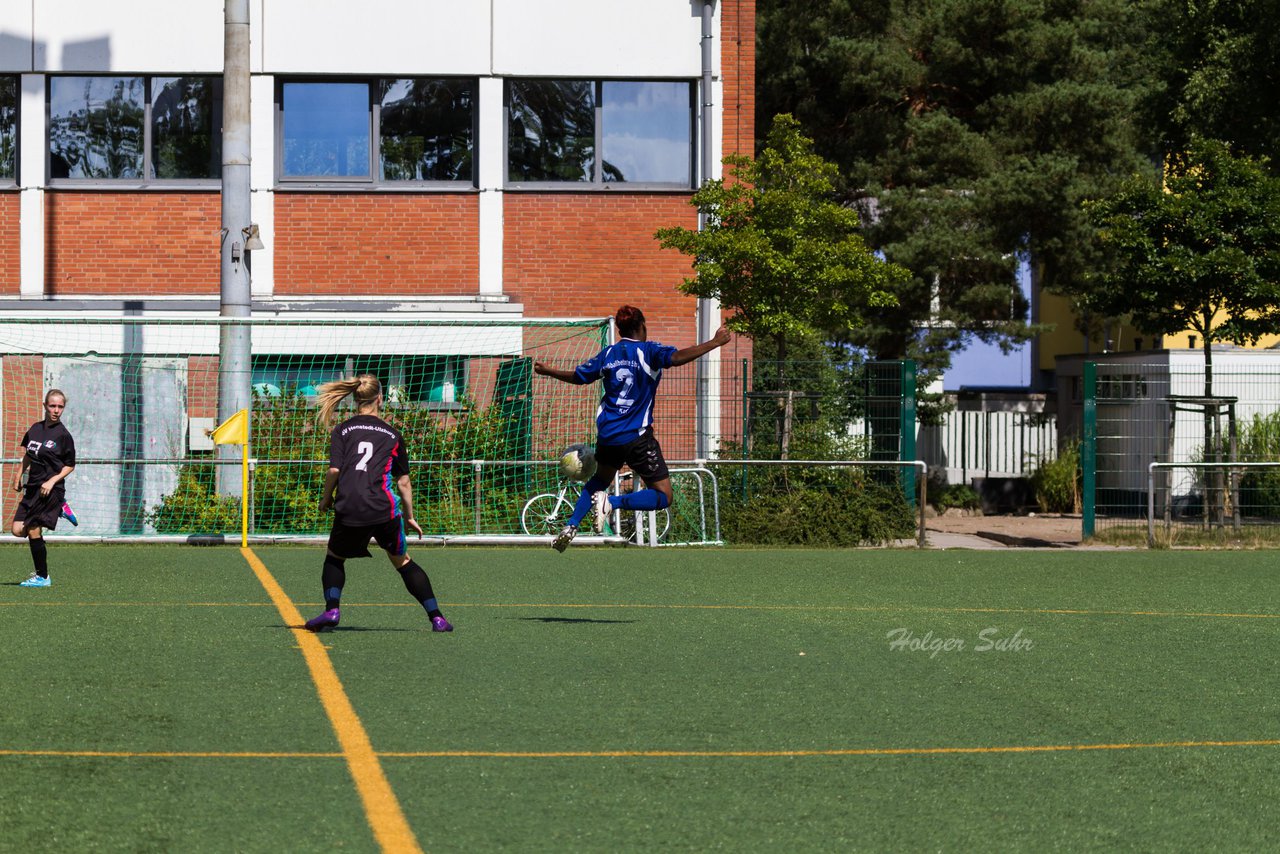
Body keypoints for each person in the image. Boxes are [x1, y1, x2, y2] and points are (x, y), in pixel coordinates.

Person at [534, 305, 732, 551]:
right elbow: (677, 357)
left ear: (619, 330)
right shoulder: (649, 351)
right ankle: (613, 503)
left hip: (608, 435)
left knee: (599, 480)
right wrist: (713, 342)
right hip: (637, 436)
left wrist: (548, 371)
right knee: (663, 496)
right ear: (642, 326)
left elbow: (578, 377)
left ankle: (571, 524)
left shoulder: (609, 354)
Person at [303, 374, 452, 633]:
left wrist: (327, 498)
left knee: (335, 558)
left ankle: (332, 609)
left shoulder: (343, 429)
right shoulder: (393, 435)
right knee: (403, 562)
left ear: (355, 399)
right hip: (383, 509)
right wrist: (409, 516)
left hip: (349, 506)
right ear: (380, 398)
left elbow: (334, 471)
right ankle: (437, 617)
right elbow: (403, 481)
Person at [12, 389, 78, 588]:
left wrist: (52, 481)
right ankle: (60, 509)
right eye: (52, 406)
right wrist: (18, 475)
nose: (56, 410)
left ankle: (42, 577)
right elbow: (28, 455)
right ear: (45, 406)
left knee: (33, 529)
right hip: (32, 487)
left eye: (60, 407)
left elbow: (70, 465)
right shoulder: (35, 429)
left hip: (50, 489)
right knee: (16, 530)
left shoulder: (64, 435)